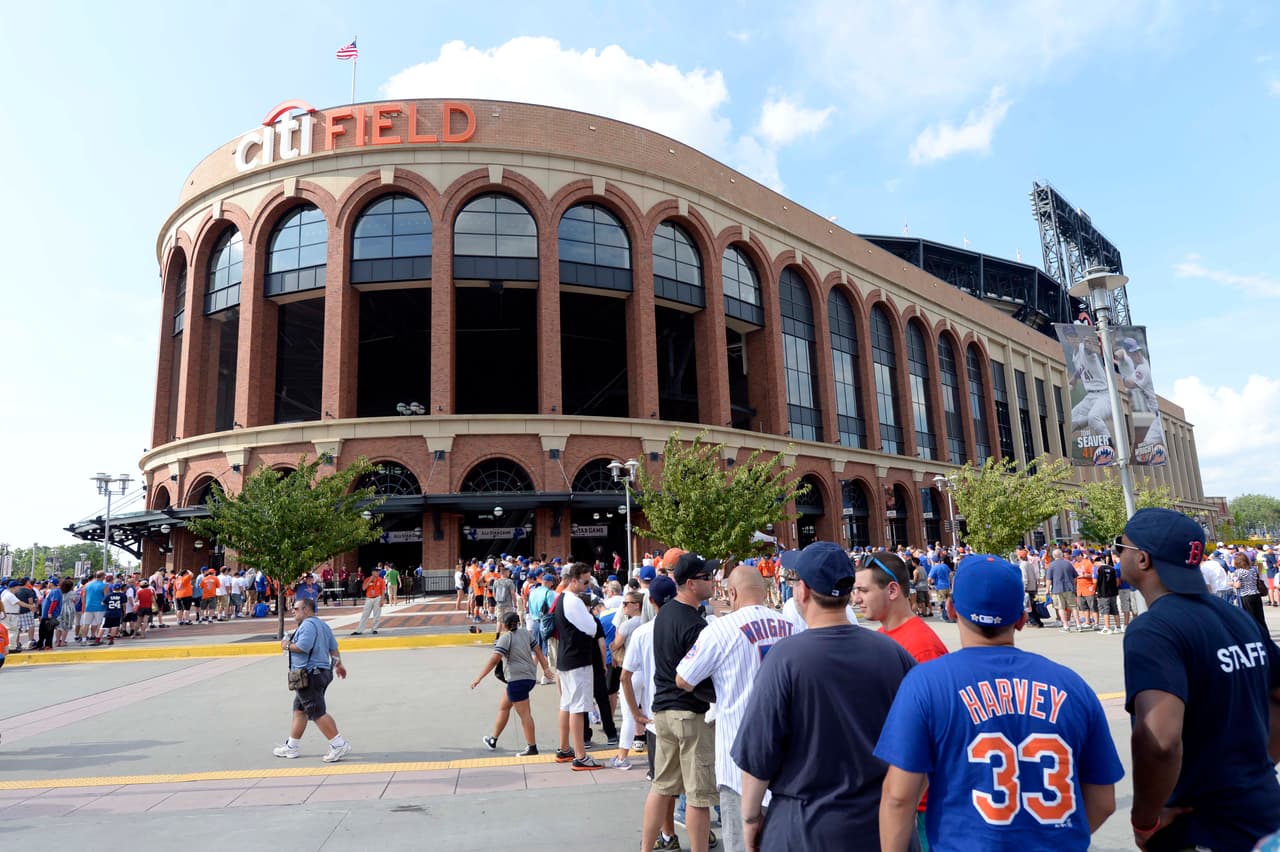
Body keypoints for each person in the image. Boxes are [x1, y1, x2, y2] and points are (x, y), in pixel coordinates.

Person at [876, 554, 1123, 851]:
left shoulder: (926, 684)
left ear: (952, 609)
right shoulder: (1072, 687)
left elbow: (899, 797)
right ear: (1020, 619)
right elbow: (1104, 801)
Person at [730, 542, 914, 851]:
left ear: (802, 591)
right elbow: (918, 747)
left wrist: (750, 818)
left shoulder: (785, 658)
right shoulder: (893, 653)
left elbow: (758, 757)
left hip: (806, 826)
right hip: (881, 824)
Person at [1119, 508, 1280, 850]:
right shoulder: (1237, 618)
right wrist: (1253, 769)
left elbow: (1159, 742)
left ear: (1143, 559)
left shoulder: (1153, 629)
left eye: (1122, 546)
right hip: (1263, 812)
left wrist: (1145, 820)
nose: (1118, 554)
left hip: (1201, 825)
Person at [674, 562, 795, 852]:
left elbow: (683, 679)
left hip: (737, 760)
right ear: (766, 591)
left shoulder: (720, 630)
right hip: (789, 760)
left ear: (732, 592)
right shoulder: (793, 626)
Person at [641, 554, 721, 852]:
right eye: (707, 577)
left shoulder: (665, 614)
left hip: (662, 711)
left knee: (662, 786)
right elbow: (698, 676)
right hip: (689, 712)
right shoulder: (694, 624)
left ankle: (647, 847)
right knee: (699, 795)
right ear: (690, 583)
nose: (713, 581)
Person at [274, 596, 351, 762]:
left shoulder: (308, 625)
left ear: (306, 610)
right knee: (299, 710)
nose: (293, 611)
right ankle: (291, 747)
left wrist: (286, 644)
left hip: (309, 675)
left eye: (296, 608)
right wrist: (338, 665)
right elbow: (334, 649)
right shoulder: (323, 625)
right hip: (321, 673)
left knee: (317, 712)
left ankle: (338, 744)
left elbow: (303, 647)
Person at [471, 611, 553, 756]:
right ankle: (493, 739)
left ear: (504, 625)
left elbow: (494, 660)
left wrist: (479, 678)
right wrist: (545, 668)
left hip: (517, 680)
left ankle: (532, 747)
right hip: (528, 677)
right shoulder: (526, 634)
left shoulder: (505, 638)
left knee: (525, 715)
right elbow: (538, 650)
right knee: (504, 707)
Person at [551, 562, 605, 771]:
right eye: (584, 581)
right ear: (573, 580)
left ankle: (565, 748)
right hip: (578, 660)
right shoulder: (573, 602)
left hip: (566, 658)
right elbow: (592, 628)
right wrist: (590, 616)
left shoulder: (562, 598)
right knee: (578, 707)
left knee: (566, 704)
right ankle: (580, 756)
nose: (587, 585)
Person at [1231, 550, 1268, 631]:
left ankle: (1255, 635)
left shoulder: (1238, 572)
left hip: (1246, 596)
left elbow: (1238, 585)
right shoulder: (1253, 570)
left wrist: (1231, 583)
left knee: (1250, 618)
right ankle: (1264, 635)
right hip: (1256, 595)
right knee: (1260, 618)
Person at [1044, 549, 1077, 633]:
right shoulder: (1068, 564)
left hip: (1057, 589)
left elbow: (1048, 579)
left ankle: (1066, 626)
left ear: (1054, 556)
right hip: (1069, 588)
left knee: (1061, 607)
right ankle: (1078, 624)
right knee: (1073, 607)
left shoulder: (1051, 565)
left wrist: (1047, 589)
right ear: (1062, 555)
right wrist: (1073, 585)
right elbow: (1075, 577)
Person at [352, 569, 385, 635]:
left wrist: (382, 600)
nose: (378, 573)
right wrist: (370, 581)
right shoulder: (367, 579)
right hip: (369, 598)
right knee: (365, 614)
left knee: (377, 614)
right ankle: (360, 630)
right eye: (376, 571)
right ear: (372, 572)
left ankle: (374, 629)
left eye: (378, 572)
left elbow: (383, 591)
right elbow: (364, 588)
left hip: (377, 598)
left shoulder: (381, 580)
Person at [1095, 553, 1121, 634]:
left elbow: (1096, 581)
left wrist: (1096, 590)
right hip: (1113, 591)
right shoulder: (1112, 568)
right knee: (1115, 610)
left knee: (1105, 610)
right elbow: (1117, 581)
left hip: (1103, 592)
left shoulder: (1099, 569)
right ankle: (1118, 627)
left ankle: (1107, 627)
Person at [928, 557, 953, 622]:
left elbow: (929, 578)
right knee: (948, 601)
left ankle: (945, 617)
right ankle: (950, 615)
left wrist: (930, 585)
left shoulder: (934, 568)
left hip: (939, 587)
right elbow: (951, 574)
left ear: (933, 561)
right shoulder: (945, 565)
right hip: (947, 586)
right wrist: (950, 582)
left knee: (942, 602)